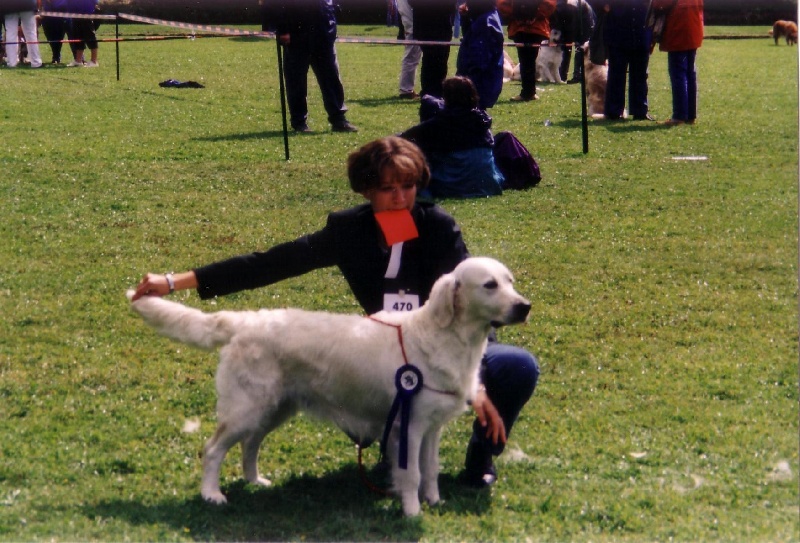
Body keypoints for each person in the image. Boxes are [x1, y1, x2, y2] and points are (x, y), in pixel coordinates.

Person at [132, 136, 539, 488]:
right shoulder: (349, 231)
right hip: (383, 354)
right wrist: (174, 281)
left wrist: (477, 385)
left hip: (451, 353)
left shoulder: (437, 228)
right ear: (365, 190)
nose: (400, 198)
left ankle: (480, 458)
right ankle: (386, 440)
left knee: (517, 366)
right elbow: (271, 263)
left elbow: (479, 310)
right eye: (387, 188)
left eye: (409, 186)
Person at [400, 76, 504, 198]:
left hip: (454, 185)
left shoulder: (441, 121)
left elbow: (403, 138)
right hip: (488, 184)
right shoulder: (482, 120)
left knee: (415, 151)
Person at [262, 0, 357, 133]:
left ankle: (339, 119)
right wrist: (283, 29)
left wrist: (333, 19)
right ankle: (299, 122)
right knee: (296, 80)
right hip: (297, 33)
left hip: (323, 32)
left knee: (331, 77)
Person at [652, 0, 703, 126]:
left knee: (678, 74)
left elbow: (660, 3)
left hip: (679, 30)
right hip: (694, 29)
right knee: (690, 74)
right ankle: (690, 115)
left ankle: (679, 115)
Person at [601, 0, 654, 121]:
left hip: (640, 31)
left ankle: (640, 110)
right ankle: (614, 111)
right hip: (618, 31)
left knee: (640, 74)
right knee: (616, 74)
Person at [497, 0, 557, 102]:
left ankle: (528, 93)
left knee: (526, 62)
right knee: (528, 61)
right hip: (531, 28)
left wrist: (520, 15)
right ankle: (530, 92)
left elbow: (502, 5)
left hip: (527, 28)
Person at [456, 0, 505, 109]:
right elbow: (470, 38)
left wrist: (464, 79)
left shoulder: (485, 23)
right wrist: (466, 18)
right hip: (484, 79)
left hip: (479, 81)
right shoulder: (487, 18)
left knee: (472, 113)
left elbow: (479, 58)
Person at [407, 0, 456, 99]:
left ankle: (436, 91)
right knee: (431, 61)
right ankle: (430, 92)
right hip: (429, 26)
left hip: (440, 26)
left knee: (439, 61)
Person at [551, 0, 596, 84]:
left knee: (577, 49)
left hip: (582, 25)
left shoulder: (562, 6)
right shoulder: (565, 4)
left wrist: (566, 36)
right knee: (573, 49)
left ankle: (574, 76)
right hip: (583, 23)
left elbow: (565, 23)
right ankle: (569, 75)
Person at [3, 0, 42, 68]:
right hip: (28, 3)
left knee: (11, 32)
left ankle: (12, 62)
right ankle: (36, 62)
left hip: (9, 4)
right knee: (31, 33)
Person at [396, 0, 421, 99]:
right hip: (413, 23)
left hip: (410, 20)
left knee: (412, 53)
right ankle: (406, 89)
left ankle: (406, 88)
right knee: (412, 54)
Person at [65, 0, 100, 68]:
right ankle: (78, 60)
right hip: (75, 15)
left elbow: (96, 2)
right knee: (78, 38)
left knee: (90, 38)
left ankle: (94, 61)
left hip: (86, 15)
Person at [39, 0, 71, 64]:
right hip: (47, 17)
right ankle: (55, 56)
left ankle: (57, 57)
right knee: (50, 38)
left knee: (59, 36)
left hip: (61, 16)